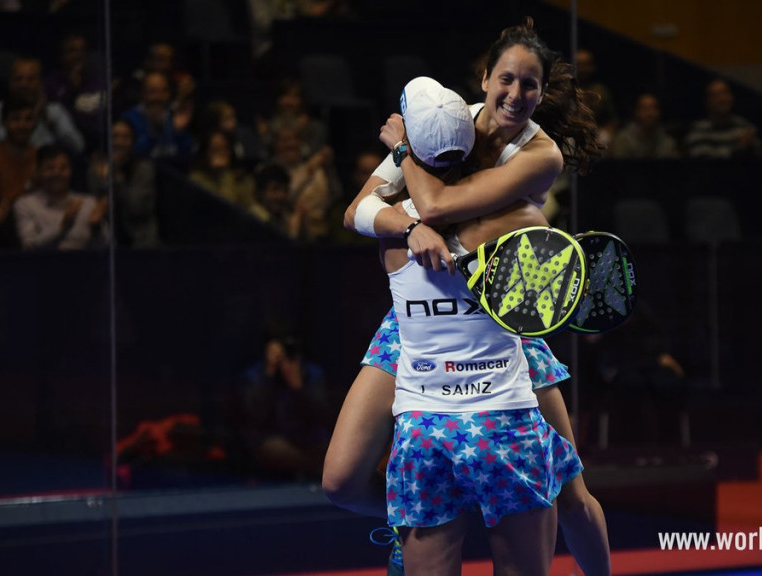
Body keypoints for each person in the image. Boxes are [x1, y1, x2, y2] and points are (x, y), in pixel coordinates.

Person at [326, 19, 610, 576]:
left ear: (542, 91)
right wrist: (407, 229)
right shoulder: (446, 119)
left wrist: (406, 147)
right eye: (506, 79)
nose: (516, 94)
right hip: (422, 317)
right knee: (340, 479)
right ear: (484, 79)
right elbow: (357, 210)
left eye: (530, 85)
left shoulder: (539, 156)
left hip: (498, 308)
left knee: (571, 492)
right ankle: (410, 525)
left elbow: (432, 206)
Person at [235, 329, 331, 480]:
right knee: (271, 449)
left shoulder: (312, 373)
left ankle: (311, 465)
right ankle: (312, 466)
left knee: (331, 448)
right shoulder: (255, 376)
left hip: (310, 441)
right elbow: (253, 418)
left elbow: (323, 417)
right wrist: (269, 374)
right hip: (274, 442)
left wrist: (298, 387)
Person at [0, 55, 85, 156]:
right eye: (18, 79)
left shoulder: (54, 111)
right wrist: (14, 131)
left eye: (30, 79)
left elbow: (77, 146)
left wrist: (48, 121)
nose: (24, 84)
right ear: (11, 83)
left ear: (40, 82)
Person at [14, 144, 106, 250]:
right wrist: (62, 227)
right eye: (50, 168)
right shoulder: (25, 204)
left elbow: (107, 249)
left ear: (71, 171)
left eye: (63, 168)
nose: (57, 173)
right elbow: (29, 246)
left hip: (84, 264)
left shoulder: (89, 203)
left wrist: (97, 229)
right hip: (43, 265)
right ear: (38, 171)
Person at [86, 118, 159, 248]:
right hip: (107, 242)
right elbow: (95, 203)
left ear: (133, 141)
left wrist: (115, 177)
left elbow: (137, 207)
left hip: (141, 242)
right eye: (115, 137)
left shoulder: (143, 169)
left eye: (125, 137)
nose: (119, 142)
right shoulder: (97, 168)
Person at [43, 33, 107, 151]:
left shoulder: (98, 81)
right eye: (72, 50)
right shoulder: (51, 84)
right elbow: (56, 119)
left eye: (82, 50)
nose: (78, 55)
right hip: (68, 147)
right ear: (62, 55)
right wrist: (72, 89)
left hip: (100, 144)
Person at [121, 70, 195, 166]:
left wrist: (179, 132)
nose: (158, 97)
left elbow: (187, 155)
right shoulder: (130, 119)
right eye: (152, 91)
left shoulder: (174, 117)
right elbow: (133, 155)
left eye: (163, 91)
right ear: (143, 93)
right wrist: (156, 128)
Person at [684, 78, 762, 159]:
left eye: (725, 93)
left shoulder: (744, 127)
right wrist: (740, 148)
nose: (722, 99)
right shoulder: (699, 130)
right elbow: (707, 165)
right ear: (707, 102)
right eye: (716, 95)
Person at [189, 129, 257, 211]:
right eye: (215, 149)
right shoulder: (197, 179)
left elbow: (248, 209)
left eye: (223, 148)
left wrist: (226, 173)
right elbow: (221, 208)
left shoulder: (242, 179)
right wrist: (223, 173)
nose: (219, 153)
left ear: (231, 151)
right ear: (207, 152)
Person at [609, 92, 680, 159]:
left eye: (654, 108)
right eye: (645, 109)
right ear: (637, 112)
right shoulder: (623, 141)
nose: (650, 114)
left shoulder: (667, 142)